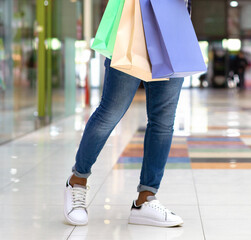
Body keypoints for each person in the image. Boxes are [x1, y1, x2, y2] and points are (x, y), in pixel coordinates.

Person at [63, 0, 193, 228]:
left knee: (163, 122)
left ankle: (145, 199)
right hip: (133, 22)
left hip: (173, 24)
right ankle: (77, 181)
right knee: (110, 112)